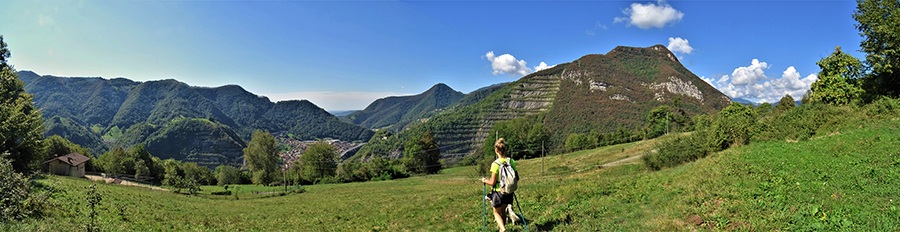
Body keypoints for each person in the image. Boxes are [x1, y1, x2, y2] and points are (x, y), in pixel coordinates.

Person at [481, 138, 518, 232]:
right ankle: (502, 230)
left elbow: (492, 183)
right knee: (503, 211)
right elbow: (517, 177)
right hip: (508, 192)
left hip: (498, 193)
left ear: (496, 150)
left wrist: (485, 181)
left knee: (496, 213)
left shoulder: (495, 164)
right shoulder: (511, 161)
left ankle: (503, 229)